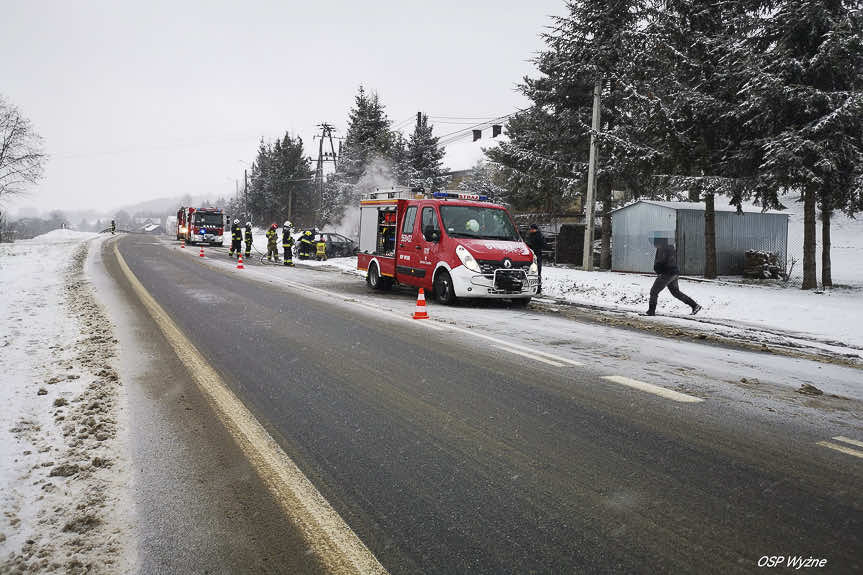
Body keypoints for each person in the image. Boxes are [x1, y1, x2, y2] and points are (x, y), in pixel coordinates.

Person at [648, 236, 702, 316]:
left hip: (667, 273)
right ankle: (694, 305)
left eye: (654, 242)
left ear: (658, 242)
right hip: (673, 273)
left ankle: (651, 311)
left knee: (654, 291)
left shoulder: (663, 248)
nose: (654, 244)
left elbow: (662, 261)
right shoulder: (669, 247)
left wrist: (658, 269)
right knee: (676, 292)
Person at [525, 223, 545, 293]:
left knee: (536, 272)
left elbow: (540, 244)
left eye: (531, 229)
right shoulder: (535, 235)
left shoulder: (537, 236)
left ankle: (537, 288)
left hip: (536, 255)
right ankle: (536, 288)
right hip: (535, 255)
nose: (530, 230)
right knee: (535, 272)